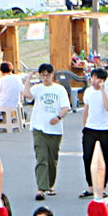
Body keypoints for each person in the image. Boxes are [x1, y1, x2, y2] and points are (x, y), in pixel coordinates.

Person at [24, 63, 71, 201]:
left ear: (52, 74)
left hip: (55, 130)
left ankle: (49, 185)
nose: (45, 78)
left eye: (47, 75)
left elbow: (65, 107)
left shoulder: (59, 89)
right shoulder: (37, 88)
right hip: (39, 128)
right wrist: (28, 79)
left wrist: (58, 117)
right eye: (43, 75)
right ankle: (41, 188)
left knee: (52, 159)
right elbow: (27, 94)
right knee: (41, 158)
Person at [79, 67, 108, 200]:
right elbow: (86, 110)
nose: (94, 81)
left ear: (103, 80)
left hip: (104, 129)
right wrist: (84, 127)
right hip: (90, 129)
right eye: (93, 78)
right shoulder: (88, 92)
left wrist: (103, 90)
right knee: (87, 157)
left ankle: (102, 187)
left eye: (98, 79)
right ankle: (90, 186)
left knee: (104, 158)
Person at [0, 60, 23, 130]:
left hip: (4, 102)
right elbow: (22, 88)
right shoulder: (17, 77)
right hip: (15, 102)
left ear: (1, 71)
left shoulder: (3, 79)